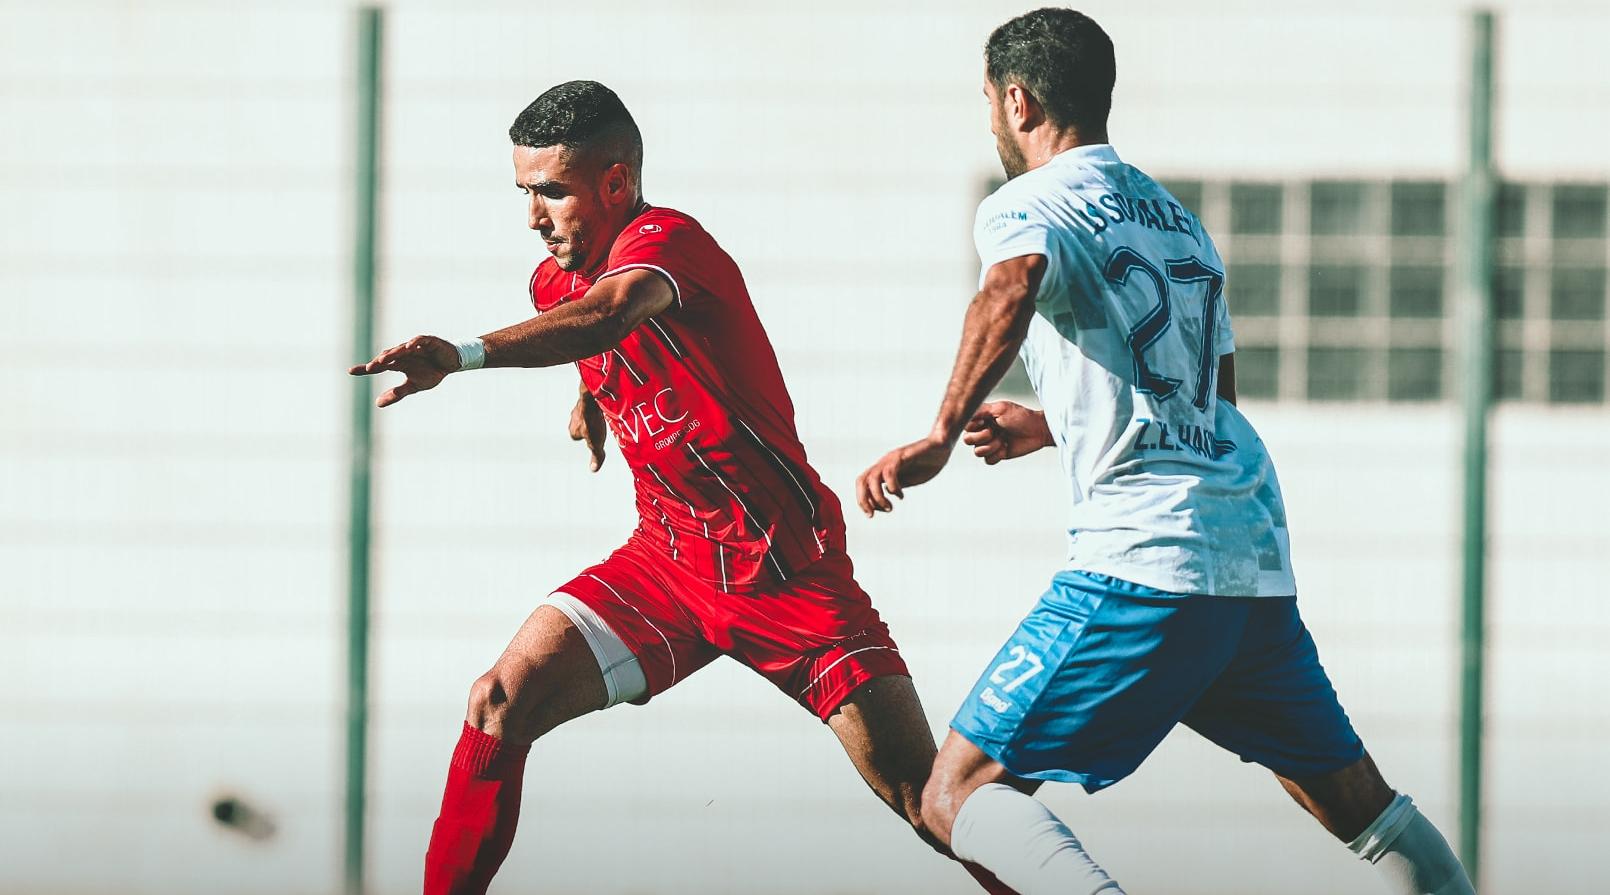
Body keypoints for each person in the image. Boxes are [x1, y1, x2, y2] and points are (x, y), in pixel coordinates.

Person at [852, 9, 1476, 895]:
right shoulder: (1180, 221)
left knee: (954, 796)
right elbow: (1210, 403)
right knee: (1358, 802)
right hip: (1250, 568)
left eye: (988, 102)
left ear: (1018, 101)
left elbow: (1010, 286)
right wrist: (1052, 423)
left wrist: (939, 435)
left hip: (1145, 561)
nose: (990, 120)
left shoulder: (1026, 202)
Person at [350, 80, 1012, 895]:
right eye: (524, 192)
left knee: (929, 800)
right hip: (665, 564)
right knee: (497, 700)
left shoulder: (670, 243)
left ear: (615, 183)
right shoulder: (555, 284)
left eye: (551, 192)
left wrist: (462, 354)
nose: (533, 217)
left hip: (783, 574)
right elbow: (591, 331)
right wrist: (591, 397)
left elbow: (615, 311)